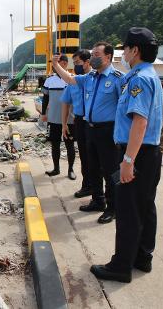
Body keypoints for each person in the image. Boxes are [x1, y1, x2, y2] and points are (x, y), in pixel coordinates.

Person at [90, 27, 163, 283]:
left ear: (135, 50)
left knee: (129, 210)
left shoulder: (138, 79)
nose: (123, 53)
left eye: (125, 48)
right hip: (150, 152)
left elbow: (139, 122)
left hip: (138, 153)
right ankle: (143, 258)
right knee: (145, 207)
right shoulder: (149, 75)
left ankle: (121, 266)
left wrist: (128, 161)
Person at [53, 42, 123, 224]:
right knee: (93, 167)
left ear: (108, 57)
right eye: (92, 54)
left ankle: (113, 207)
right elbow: (69, 79)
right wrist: (55, 66)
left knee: (110, 170)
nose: (93, 57)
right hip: (89, 128)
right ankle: (97, 200)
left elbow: (125, 109)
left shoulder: (118, 79)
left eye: (97, 54)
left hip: (108, 131)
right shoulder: (90, 77)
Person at [60, 49, 100, 198]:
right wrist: (64, 124)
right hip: (79, 122)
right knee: (84, 155)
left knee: (97, 157)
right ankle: (87, 185)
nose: (75, 66)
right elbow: (65, 103)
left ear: (87, 62)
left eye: (77, 63)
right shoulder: (74, 82)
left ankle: (100, 191)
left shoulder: (96, 79)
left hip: (95, 123)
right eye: (74, 62)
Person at [41, 54, 76, 179]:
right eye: (54, 63)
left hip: (70, 119)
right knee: (55, 144)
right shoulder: (49, 80)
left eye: (58, 62)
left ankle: (71, 170)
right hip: (54, 118)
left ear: (65, 64)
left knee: (69, 144)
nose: (55, 66)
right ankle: (56, 168)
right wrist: (43, 113)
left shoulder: (72, 79)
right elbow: (45, 98)